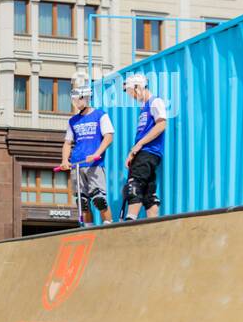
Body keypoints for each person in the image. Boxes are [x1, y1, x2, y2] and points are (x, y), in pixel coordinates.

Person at [58, 85, 115, 225]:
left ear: (86, 98)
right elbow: (67, 143)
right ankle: (88, 228)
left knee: (99, 199)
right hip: (77, 165)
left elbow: (108, 137)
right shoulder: (73, 121)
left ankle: (109, 225)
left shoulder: (100, 115)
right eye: (74, 100)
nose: (75, 103)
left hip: (94, 164)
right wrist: (65, 160)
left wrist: (96, 154)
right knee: (82, 201)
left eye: (78, 99)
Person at [122, 73, 169, 219]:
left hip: (148, 151)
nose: (132, 96)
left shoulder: (155, 102)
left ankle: (130, 220)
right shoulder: (143, 107)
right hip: (144, 152)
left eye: (132, 93)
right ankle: (152, 225)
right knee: (149, 192)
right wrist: (133, 152)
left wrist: (139, 145)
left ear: (138, 87)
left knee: (134, 185)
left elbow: (162, 124)